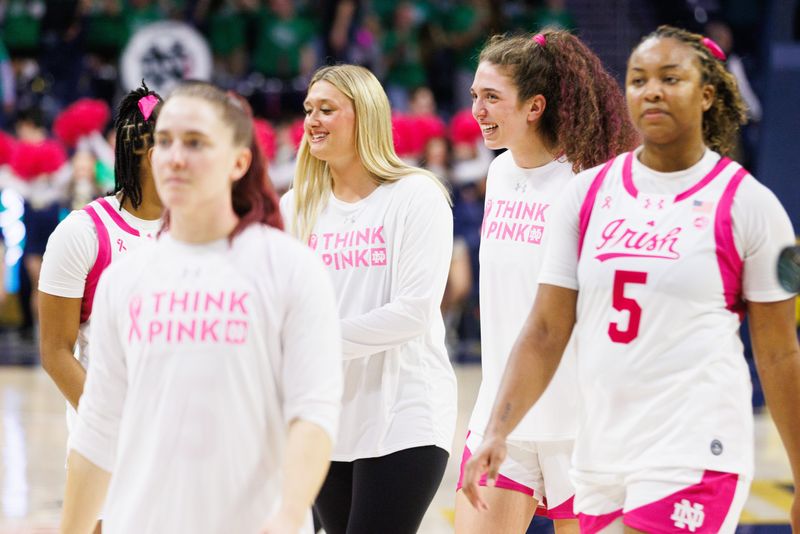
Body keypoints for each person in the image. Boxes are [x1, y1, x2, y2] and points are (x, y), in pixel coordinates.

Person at [462, 25, 800, 534]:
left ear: (708, 95)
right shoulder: (586, 191)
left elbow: (779, 352)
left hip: (646, 434)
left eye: (670, 78)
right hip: (535, 420)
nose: (651, 91)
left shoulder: (748, 205)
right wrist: (496, 425)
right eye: (639, 79)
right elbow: (546, 328)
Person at [60, 81, 343, 534]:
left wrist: (290, 513)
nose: (174, 156)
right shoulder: (125, 281)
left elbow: (313, 414)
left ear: (239, 161)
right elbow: (97, 433)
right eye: (165, 141)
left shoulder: (290, 269)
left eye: (195, 143)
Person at [454, 30, 639, 533]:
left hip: (581, 427)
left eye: (492, 97)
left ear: (535, 105)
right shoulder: (498, 175)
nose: (478, 110)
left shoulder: (592, 182)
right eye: (475, 96)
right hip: (503, 417)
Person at [281, 64, 456, 534]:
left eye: (327, 110)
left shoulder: (416, 196)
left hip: (405, 415)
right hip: (325, 420)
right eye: (308, 110)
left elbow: (413, 311)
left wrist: (310, 341)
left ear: (365, 117)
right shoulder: (295, 206)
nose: (312, 121)